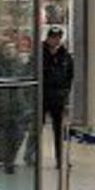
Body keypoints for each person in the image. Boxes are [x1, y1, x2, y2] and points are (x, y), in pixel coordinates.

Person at [27, 27, 74, 168]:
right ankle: (30, 155)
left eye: (58, 37)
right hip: (41, 96)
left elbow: (70, 76)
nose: (56, 40)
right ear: (48, 38)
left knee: (59, 131)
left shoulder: (65, 56)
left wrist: (65, 94)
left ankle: (60, 159)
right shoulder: (39, 53)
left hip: (58, 98)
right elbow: (31, 72)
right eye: (53, 37)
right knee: (36, 128)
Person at [0, 41, 34, 174]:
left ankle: (6, 158)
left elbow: (28, 86)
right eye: (6, 48)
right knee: (5, 135)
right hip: (3, 108)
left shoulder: (21, 68)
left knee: (17, 135)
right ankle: (6, 160)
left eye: (12, 48)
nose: (9, 51)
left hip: (19, 107)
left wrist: (27, 103)